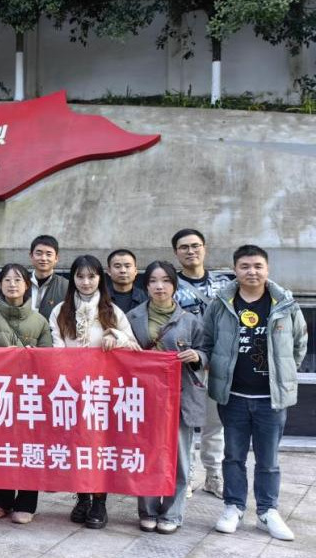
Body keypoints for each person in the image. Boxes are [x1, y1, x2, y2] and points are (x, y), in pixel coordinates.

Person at [204, 245, 307, 541]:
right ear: (235, 270)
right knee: (233, 456)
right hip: (233, 396)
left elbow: (299, 343)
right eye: (245, 266)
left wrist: (283, 372)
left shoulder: (285, 303)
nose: (252, 271)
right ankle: (234, 506)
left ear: (267, 268)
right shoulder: (221, 304)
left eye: (258, 266)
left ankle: (267, 511)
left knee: (268, 459)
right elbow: (208, 341)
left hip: (270, 400)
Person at [49, 254, 137, 530]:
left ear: (101, 278)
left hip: (103, 392)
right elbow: (56, 350)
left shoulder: (113, 312)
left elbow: (134, 346)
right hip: (72, 390)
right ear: (73, 279)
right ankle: (83, 497)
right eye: (80, 276)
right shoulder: (60, 311)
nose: (86, 282)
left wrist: (116, 337)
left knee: (100, 447)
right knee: (77, 446)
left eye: (92, 276)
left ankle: (99, 501)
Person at [127, 261, 207, 535]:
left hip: (180, 397)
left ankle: (172, 513)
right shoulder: (132, 317)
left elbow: (206, 352)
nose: (159, 286)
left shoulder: (190, 320)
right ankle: (148, 510)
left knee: (179, 458)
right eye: (153, 281)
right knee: (147, 454)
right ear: (146, 285)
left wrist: (197, 356)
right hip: (144, 398)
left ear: (174, 285)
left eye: (166, 281)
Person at [0, 263, 52, 525]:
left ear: (27, 285)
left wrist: (33, 356)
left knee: (30, 447)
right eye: (7, 280)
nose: (12, 284)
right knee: (3, 447)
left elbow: (50, 359)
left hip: (30, 394)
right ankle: (1, 499)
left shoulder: (39, 320)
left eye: (18, 280)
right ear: (0, 285)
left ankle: (27, 502)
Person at [171, 228, 232, 499]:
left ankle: (213, 475)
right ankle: (187, 475)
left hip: (219, 365)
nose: (190, 251)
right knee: (185, 423)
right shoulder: (170, 284)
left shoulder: (225, 284)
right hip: (187, 366)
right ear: (176, 253)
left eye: (195, 246)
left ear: (204, 248)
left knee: (215, 424)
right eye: (184, 247)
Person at [29, 235, 68, 319]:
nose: (43, 258)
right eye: (39, 254)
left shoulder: (66, 286)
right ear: (31, 256)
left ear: (56, 258)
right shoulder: (22, 283)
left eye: (48, 254)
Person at [105, 249, 147, 314]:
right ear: (109, 271)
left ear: (135, 270)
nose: (123, 270)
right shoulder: (100, 297)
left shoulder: (146, 298)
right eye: (117, 266)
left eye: (127, 266)